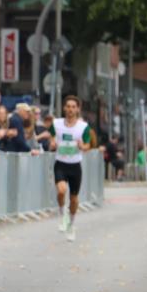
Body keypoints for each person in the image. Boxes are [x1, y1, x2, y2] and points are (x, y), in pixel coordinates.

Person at [49, 95, 93, 241]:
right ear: (64, 108)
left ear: (78, 109)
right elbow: (51, 137)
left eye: (73, 107)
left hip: (75, 166)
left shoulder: (83, 127)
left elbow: (88, 145)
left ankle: (71, 225)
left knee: (74, 199)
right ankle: (63, 216)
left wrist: (82, 146)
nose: (70, 109)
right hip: (60, 164)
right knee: (61, 191)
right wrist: (52, 143)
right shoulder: (56, 123)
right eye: (68, 106)